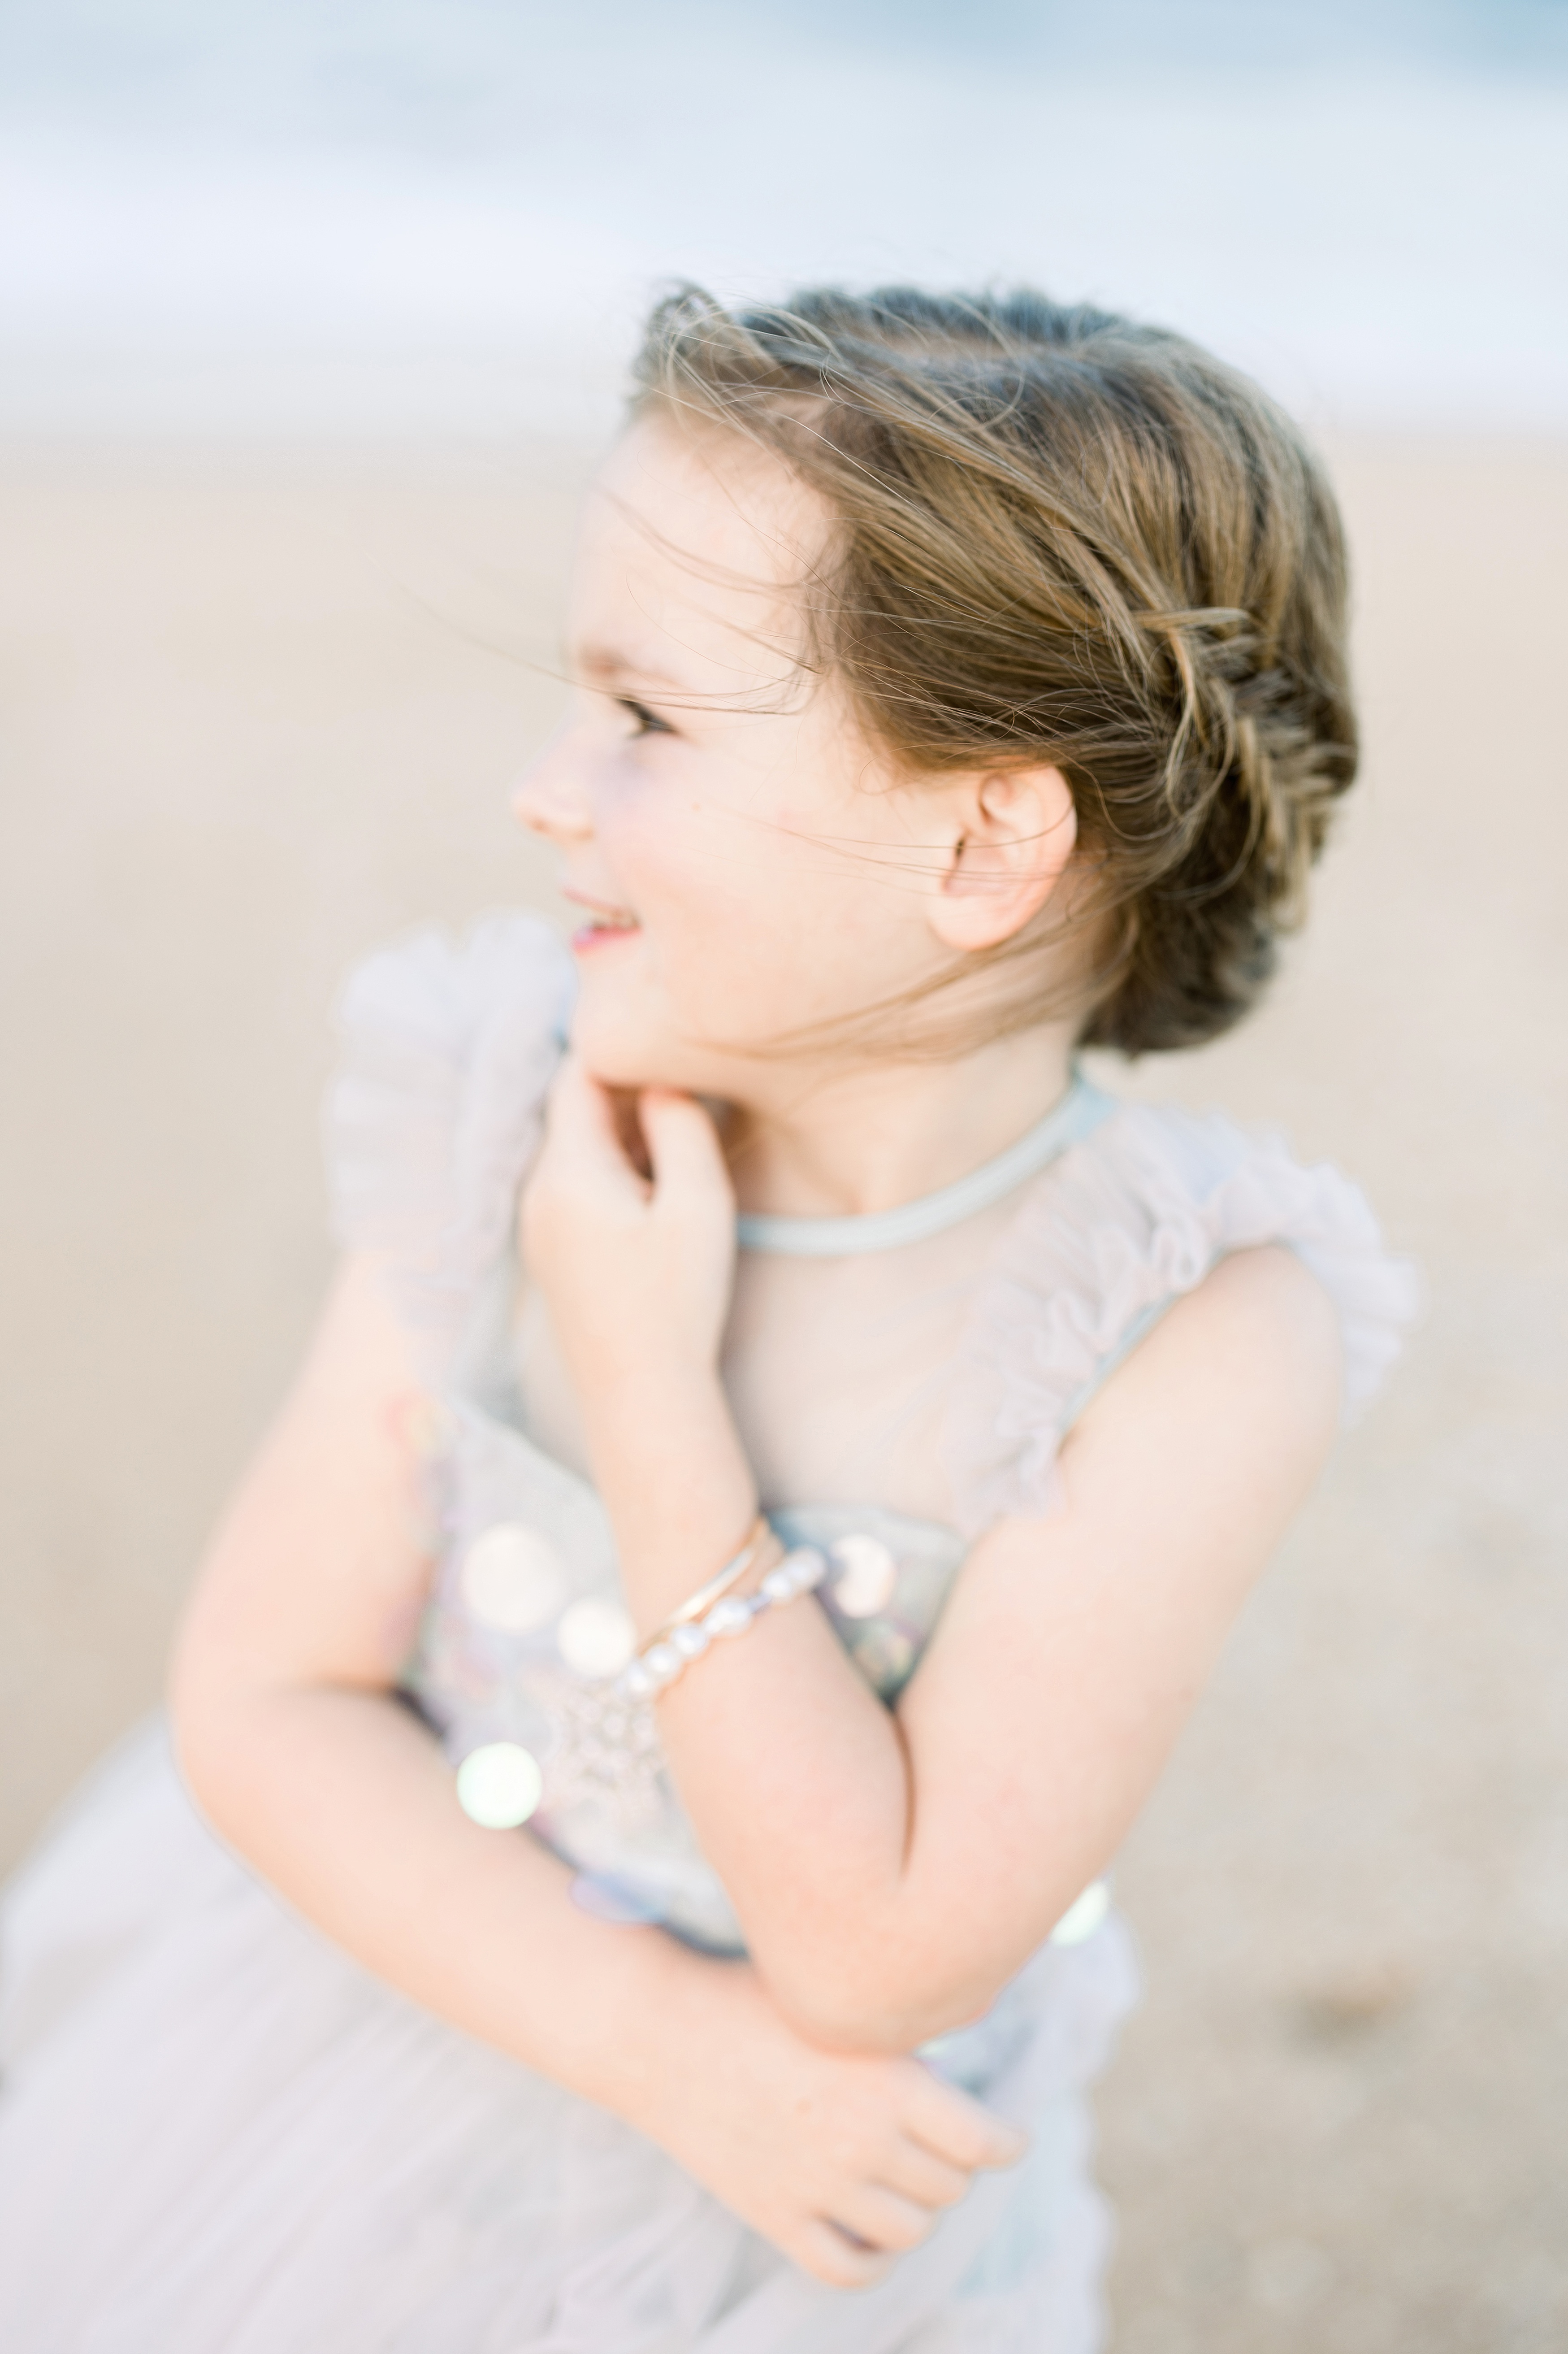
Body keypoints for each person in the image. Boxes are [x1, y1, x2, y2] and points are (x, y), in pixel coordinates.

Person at [0, 286, 1416, 2352]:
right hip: (373, 2049)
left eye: (645, 718)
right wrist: (659, 2042)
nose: (544, 791)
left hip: (796, 2239)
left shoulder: (1190, 1332)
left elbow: (868, 1957)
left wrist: (648, 1393)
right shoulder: (508, 1098)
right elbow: (261, 1687)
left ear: (977, 836)